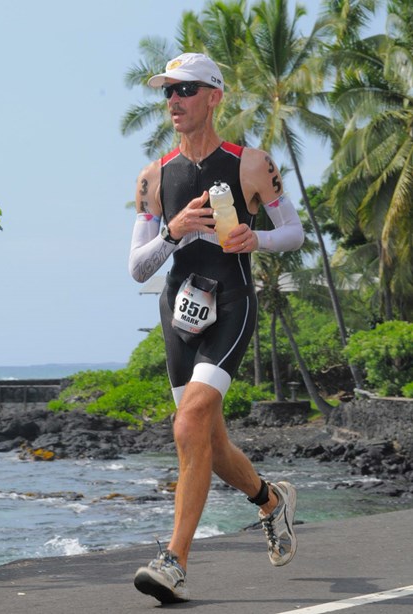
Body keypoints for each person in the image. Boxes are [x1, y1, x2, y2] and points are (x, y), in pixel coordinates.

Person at [128, 52, 304, 604]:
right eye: (167, 92)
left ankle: (174, 561)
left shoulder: (251, 163)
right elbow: (137, 266)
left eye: (184, 90)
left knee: (190, 423)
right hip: (178, 311)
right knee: (210, 439)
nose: (173, 101)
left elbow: (294, 231)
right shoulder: (154, 175)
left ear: (213, 97)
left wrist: (259, 239)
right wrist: (174, 232)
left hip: (231, 300)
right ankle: (270, 501)